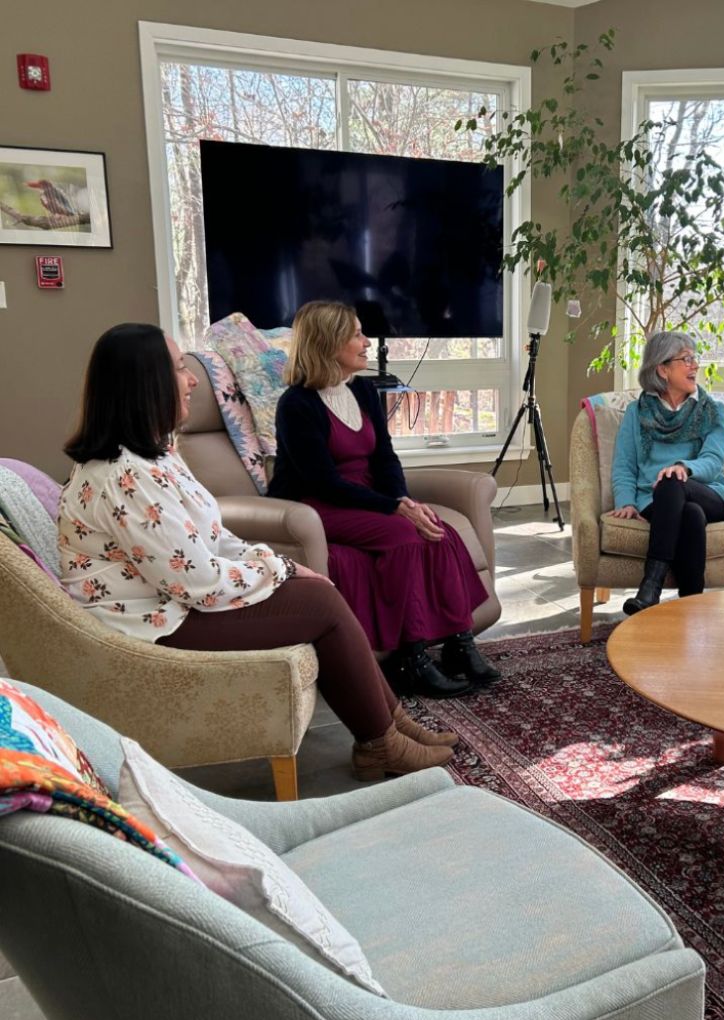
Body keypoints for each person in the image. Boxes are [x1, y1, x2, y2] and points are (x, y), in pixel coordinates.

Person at [58, 323, 457, 781]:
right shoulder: (123, 477)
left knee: (318, 592)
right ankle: (382, 743)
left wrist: (281, 566)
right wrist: (281, 569)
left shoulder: (156, 457)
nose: (191, 380)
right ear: (146, 384)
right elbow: (197, 582)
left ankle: (391, 728)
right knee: (322, 603)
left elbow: (212, 537)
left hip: (171, 604)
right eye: (180, 369)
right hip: (153, 625)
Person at [268, 300, 500, 697]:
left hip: (366, 495)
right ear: (329, 344)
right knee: (404, 536)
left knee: (436, 529)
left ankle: (459, 642)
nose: (366, 342)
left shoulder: (362, 389)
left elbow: (385, 458)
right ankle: (411, 659)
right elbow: (323, 482)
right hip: (315, 504)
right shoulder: (296, 404)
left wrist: (403, 499)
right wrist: (394, 508)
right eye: (356, 335)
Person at [611, 331, 724, 615]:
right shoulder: (637, 413)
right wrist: (626, 501)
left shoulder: (713, 411)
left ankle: (650, 586)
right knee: (690, 515)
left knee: (671, 480)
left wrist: (684, 468)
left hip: (709, 492)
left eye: (695, 358)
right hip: (655, 500)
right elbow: (624, 464)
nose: (695, 365)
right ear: (662, 369)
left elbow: (714, 461)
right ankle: (691, 609)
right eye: (686, 359)